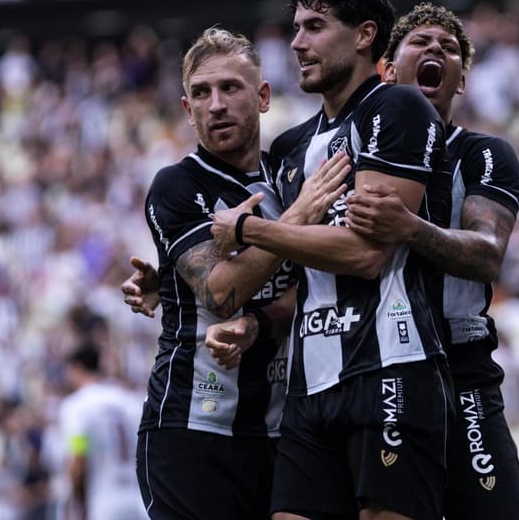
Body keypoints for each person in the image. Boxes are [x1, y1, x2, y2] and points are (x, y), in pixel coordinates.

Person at [208, 0, 454, 520]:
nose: (297, 43)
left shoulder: (397, 108)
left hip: (391, 365)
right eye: (296, 28)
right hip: (310, 381)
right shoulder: (290, 147)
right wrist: (185, 287)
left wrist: (250, 229)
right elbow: (299, 270)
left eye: (315, 27)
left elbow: (366, 255)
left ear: (365, 35)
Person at [134, 26, 348, 519]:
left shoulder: (290, 178)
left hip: (280, 432)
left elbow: (314, 290)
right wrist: (297, 218)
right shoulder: (177, 185)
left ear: (263, 96)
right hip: (191, 430)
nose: (216, 105)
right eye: (201, 93)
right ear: (187, 110)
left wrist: (257, 322)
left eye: (230, 87)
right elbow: (221, 293)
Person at [344, 2, 519, 519]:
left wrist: (408, 226)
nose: (436, 49)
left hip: (462, 365)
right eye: (421, 42)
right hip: (380, 362)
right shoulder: (352, 151)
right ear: (387, 70)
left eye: (449, 48)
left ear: (461, 82)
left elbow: (487, 255)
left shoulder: (483, 154)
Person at [58, 342, 147, 520]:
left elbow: (78, 455)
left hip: (104, 502)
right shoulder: (129, 400)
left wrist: (71, 502)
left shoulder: (76, 405)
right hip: (139, 501)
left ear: (76, 368)